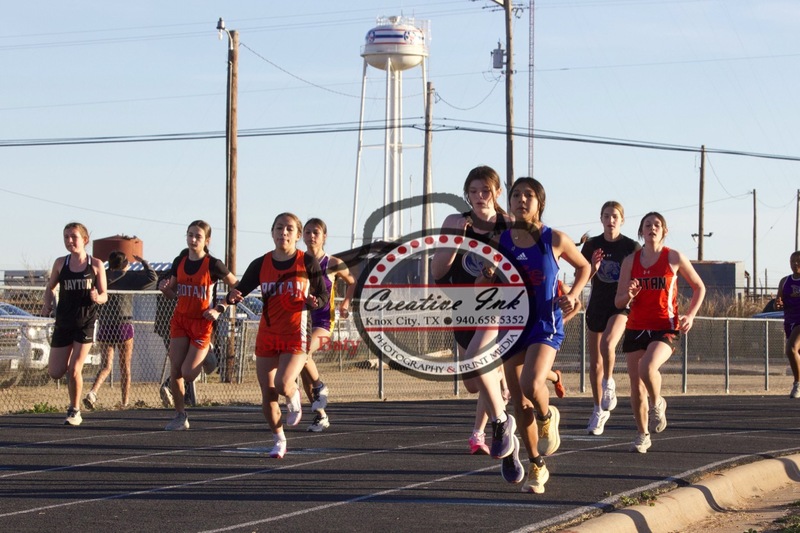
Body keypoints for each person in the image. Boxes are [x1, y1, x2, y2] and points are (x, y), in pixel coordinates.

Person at [431, 165, 523, 482]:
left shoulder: (510, 225)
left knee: (477, 359)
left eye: (486, 190)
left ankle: (500, 421)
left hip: (498, 306)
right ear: (466, 194)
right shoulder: (455, 223)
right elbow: (438, 271)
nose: (480, 197)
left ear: (497, 193)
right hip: (464, 308)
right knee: (474, 383)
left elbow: (522, 270)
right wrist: (458, 240)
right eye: (473, 191)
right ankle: (508, 441)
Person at [499, 177, 590, 494]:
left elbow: (585, 268)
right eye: (516, 195)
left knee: (530, 384)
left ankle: (547, 414)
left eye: (529, 195)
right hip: (511, 326)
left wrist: (574, 294)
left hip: (545, 322)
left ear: (539, 203)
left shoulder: (555, 239)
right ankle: (537, 466)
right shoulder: (501, 241)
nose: (521, 199)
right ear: (509, 203)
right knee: (519, 406)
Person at [225, 213, 329, 458]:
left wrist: (316, 301)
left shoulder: (307, 262)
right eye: (279, 228)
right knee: (269, 393)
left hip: (296, 333)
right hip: (268, 334)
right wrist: (232, 297)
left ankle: (294, 395)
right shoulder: (261, 263)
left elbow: (323, 295)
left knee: (284, 383)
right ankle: (279, 439)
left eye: (289, 229)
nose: (284, 232)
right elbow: (240, 289)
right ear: (272, 232)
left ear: (297, 235)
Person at [615, 212, 705, 453]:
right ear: (641, 231)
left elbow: (699, 287)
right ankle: (643, 435)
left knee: (647, 367)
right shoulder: (629, 261)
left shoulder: (673, 257)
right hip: (635, 326)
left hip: (665, 325)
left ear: (664, 231)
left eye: (657, 225)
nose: (652, 228)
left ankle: (658, 404)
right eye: (647, 225)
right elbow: (618, 301)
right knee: (636, 385)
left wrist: (691, 314)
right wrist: (629, 295)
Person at [158, 221, 237, 430]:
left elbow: (237, 287)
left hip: (203, 322)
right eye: (190, 235)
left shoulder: (213, 264)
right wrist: (165, 289)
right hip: (181, 320)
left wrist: (220, 308)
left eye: (198, 236)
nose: (193, 240)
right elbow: (173, 291)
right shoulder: (180, 261)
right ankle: (180, 415)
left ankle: (208, 353)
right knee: (176, 370)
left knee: (188, 373)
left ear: (206, 241)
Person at [581, 201, 640, 435]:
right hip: (597, 305)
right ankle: (598, 410)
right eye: (606, 216)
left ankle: (609, 382)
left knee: (608, 343)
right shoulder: (593, 245)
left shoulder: (630, 247)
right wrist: (593, 267)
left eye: (615, 216)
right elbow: (582, 277)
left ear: (622, 220)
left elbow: (640, 273)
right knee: (594, 363)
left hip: (621, 305)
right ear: (601, 219)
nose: (610, 220)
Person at [41, 222, 108, 426]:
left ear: (84, 240)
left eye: (74, 237)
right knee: (55, 371)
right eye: (66, 237)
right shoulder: (61, 263)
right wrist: (46, 304)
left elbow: (105, 294)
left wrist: (98, 296)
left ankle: (74, 410)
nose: (70, 241)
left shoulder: (95, 265)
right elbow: (50, 287)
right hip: (64, 322)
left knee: (75, 369)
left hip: (84, 323)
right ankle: (73, 402)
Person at [84, 252, 157, 410]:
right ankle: (124, 401)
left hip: (105, 325)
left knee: (105, 366)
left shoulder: (103, 277)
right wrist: (143, 262)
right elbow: (153, 277)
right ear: (124, 264)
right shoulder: (127, 277)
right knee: (125, 367)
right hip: (123, 324)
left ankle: (93, 392)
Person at [301, 218, 355, 432]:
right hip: (302, 320)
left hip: (324, 321)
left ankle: (320, 387)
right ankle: (320, 414)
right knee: (302, 367)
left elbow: (352, 282)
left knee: (303, 353)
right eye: (307, 232)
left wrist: (345, 304)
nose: (311, 236)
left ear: (324, 236)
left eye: (315, 232)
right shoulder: (298, 261)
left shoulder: (332, 263)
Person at [775, 250, 800, 398]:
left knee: (791, 349)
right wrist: (778, 304)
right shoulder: (785, 281)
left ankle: (797, 384)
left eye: (798, 261)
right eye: (792, 261)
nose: (795, 264)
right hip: (789, 321)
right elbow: (778, 302)